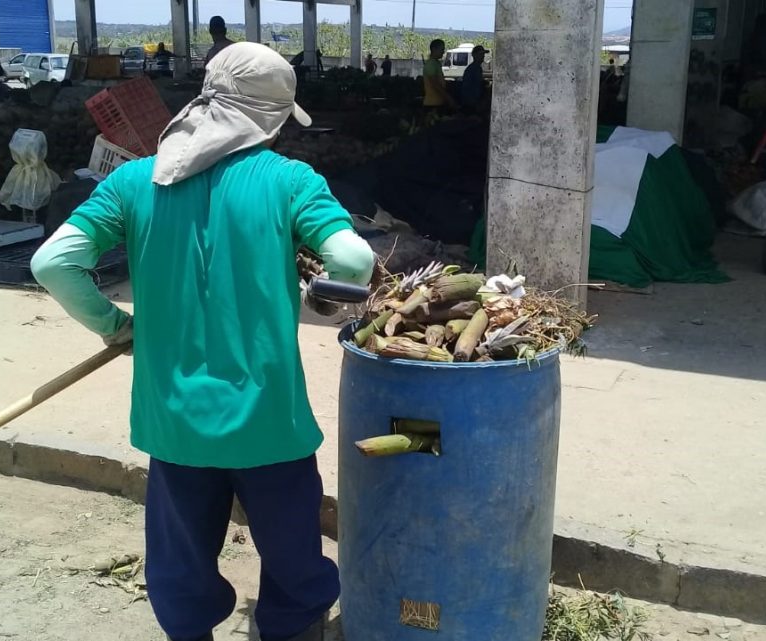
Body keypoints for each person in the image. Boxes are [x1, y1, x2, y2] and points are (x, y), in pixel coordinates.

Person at [31, 42, 374, 641]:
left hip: (173, 422)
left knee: (180, 559)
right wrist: (325, 290)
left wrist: (116, 326)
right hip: (269, 421)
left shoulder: (136, 180)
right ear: (268, 117)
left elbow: (53, 263)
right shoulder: (290, 180)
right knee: (293, 555)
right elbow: (353, 259)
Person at [423, 39, 456, 110]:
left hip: (438, 102)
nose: (443, 52)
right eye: (442, 49)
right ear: (434, 49)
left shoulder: (436, 63)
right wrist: (448, 98)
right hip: (432, 104)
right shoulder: (431, 64)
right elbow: (435, 84)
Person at [460, 45, 486, 112]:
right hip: (472, 103)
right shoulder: (472, 69)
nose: (483, 56)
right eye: (480, 54)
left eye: (483, 54)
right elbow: (467, 87)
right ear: (474, 55)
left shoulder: (477, 68)